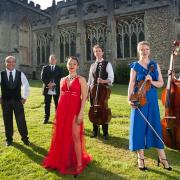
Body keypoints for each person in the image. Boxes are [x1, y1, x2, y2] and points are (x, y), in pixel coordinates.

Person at [43, 56, 92, 177]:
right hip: (62, 111)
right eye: (70, 64)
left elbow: (84, 98)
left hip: (75, 111)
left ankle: (79, 164)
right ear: (67, 65)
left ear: (77, 66)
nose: (71, 66)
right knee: (62, 135)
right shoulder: (62, 80)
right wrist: (58, 112)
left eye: (74, 64)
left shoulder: (81, 80)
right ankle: (62, 160)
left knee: (75, 136)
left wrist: (81, 113)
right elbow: (60, 97)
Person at [128, 41, 172, 171]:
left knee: (155, 126)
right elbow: (131, 83)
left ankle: (162, 158)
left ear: (149, 50)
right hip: (139, 99)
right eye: (142, 49)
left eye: (146, 49)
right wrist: (129, 99)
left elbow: (161, 83)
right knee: (139, 127)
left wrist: (151, 80)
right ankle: (140, 159)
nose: (144, 51)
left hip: (151, 100)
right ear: (138, 51)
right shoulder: (135, 66)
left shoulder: (155, 65)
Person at [0, 56, 30, 146]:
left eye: (13, 62)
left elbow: (26, 85)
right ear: (5, 63)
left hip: (17, 101)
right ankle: (9, 139)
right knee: (7, 120)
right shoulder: (1, 74)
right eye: (8, 62)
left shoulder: (20, 74)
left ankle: (25, 138)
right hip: (5, 102)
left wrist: (24, 97)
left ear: (15, 63)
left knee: (21, 120)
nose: (11, 63)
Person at [87, 44, 114, 140]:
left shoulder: (107, 64)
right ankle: (94, 131)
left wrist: (103, 81)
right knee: (94, 111)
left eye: (99, 51)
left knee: (103, 111)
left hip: (102, 92)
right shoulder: (92, 65)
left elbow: (111, 78)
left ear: (102, 52)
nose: (97, 53)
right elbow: (90, 80)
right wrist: (87, 92)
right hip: (93, 92)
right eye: (95, 51)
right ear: (94, 53)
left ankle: (105, 132)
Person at [41, 54, 63, 124]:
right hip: (47, 88)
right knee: (47, 104)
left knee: (57, 104)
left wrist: (55, 84)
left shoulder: (59, 69)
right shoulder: (45, 67)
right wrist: (48, 84)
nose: (52, 60)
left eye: (53, 59)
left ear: (56, 60)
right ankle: (46, 118)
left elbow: (61, 78)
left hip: (56, 88)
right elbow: (42, 77)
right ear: (49, 60)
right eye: (51, 59)